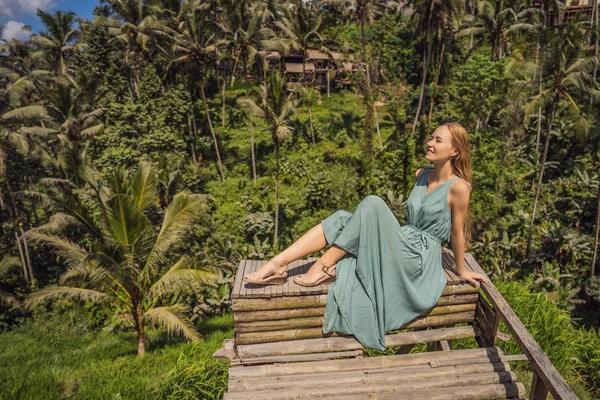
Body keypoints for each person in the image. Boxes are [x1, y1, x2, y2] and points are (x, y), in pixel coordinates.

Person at [243, 121, 488, 350]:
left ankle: (322, 265)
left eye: (438, 140)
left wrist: (461, 269)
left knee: (372, 203)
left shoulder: (459, 187)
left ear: (455, 151)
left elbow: (457, 232)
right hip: (404, 240)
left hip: (418, 259)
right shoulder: (421, 174)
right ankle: (278, 264)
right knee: (341, 217)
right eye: (431, 137)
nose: (430, 143)